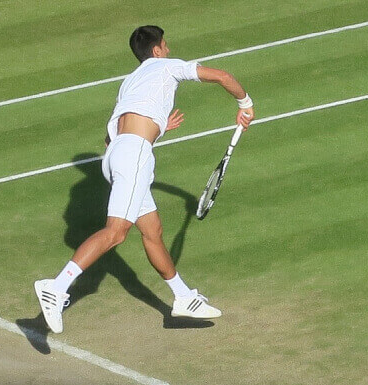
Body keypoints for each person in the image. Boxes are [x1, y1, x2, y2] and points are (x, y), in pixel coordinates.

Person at [34, 25, 254, 333]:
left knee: (152, 230)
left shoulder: (132, 81)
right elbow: (223, 77)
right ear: (157, 50)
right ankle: (56, 287)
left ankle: (183, 297)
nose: (168, 48)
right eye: (165, 45)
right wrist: (245, 104)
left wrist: (159, 128)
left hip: (116, 155)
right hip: (134, 155)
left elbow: (120, 132)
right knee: (116, 232)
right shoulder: (169, 66)